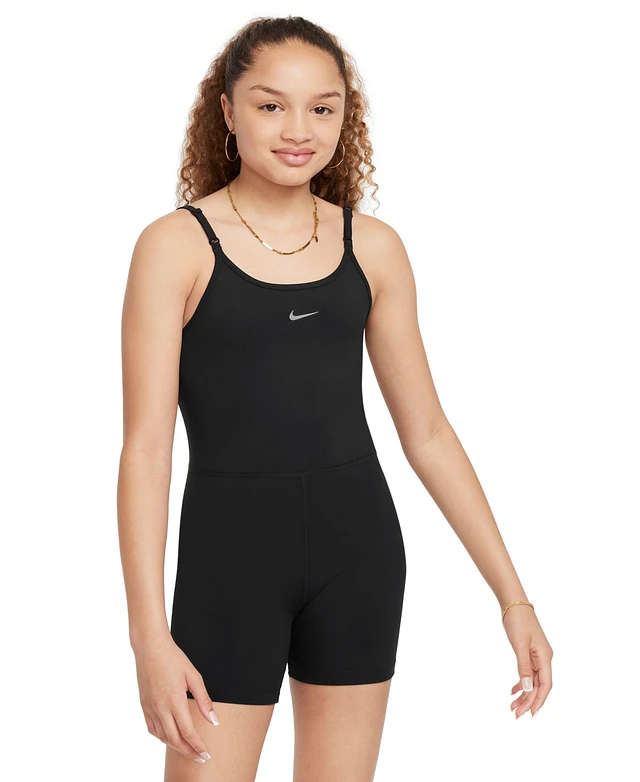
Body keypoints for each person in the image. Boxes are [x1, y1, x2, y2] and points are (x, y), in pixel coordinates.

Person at [117, 15, 554, 781]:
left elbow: (428, 433)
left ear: (345, 116)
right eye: (271, 105)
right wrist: (148, 639)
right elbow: (147, 449)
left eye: (322, 108)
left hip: (358, 557)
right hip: (229, 565)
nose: (299, 129)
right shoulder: (175, 247)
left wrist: (513, 598)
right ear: (227, 111)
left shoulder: (373, 248)